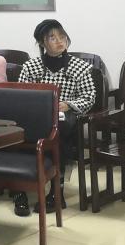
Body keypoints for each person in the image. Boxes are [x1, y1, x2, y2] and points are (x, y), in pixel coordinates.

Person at [18, 19, 96, 212]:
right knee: (16, 132)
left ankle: (56, 192)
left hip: (64, 118)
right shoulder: (30, 66)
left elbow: (89, 97)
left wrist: (68, 105)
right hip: (35, 117)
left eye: (62, 36)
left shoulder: (80, 67)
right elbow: (20, 95)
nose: (59, 41)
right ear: (42, 42)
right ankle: (20, 191)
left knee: (58, 133)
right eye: (52, 37)